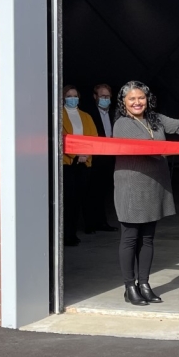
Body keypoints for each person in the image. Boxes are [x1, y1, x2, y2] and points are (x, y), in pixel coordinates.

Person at [112, 80, 179, 306]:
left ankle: (144, 283)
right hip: (131, 186)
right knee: (130, 238)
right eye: (131, 99)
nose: (137, 102)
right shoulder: (122, 124)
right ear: (123, 102)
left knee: (148, 238)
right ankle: (129, 286)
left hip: (154, 185)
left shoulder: (155, 119)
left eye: (141, 97)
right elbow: (149, 149)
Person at [62, 85, 98, 247]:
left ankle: (72, 233)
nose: (72, 98)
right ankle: (65, 234)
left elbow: (94, 138)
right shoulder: (58, 116)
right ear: (63, 98)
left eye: (75, 95)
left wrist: (85, 155)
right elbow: (60, 139)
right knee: (67, 200)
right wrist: (75, 155)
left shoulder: (86, 116)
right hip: (67, 163)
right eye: (69, 96)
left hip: (84, 162)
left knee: (78, 199)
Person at [83, 83, 118, 234]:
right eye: (102, 96)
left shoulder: (115, 114)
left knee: (104, 192)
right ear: (95, 97)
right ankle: (89, 224)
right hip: (95, 157)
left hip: (110, 158)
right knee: (91, 192)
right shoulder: (89, 114)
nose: (105, 99)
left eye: (108, 96)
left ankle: (102, 222)